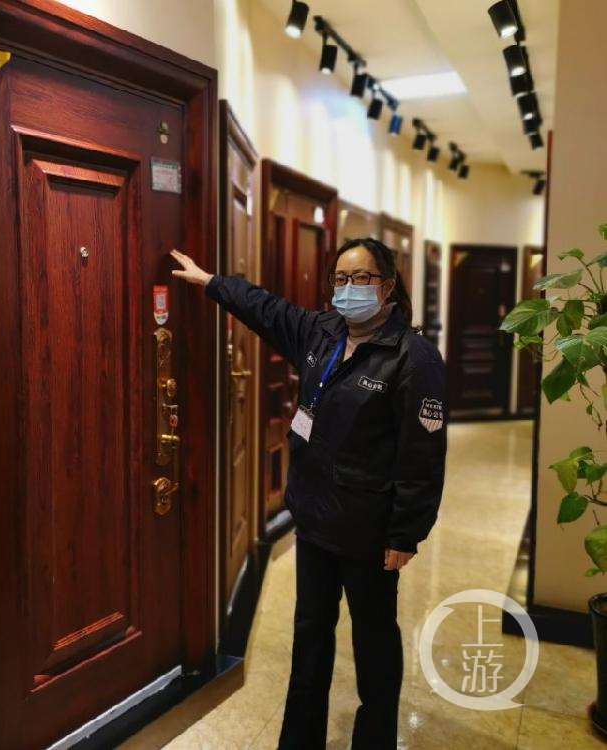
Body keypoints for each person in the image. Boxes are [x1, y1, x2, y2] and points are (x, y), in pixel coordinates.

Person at [169, 237, 447, 750]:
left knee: (374, 643)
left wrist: (405, 532)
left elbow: (423, 455)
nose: (348, 288)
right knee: (310, 635)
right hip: (315, 518)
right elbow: (265, 308)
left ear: (387, 286)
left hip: (368, 531)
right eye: (340, 278)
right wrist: (211, 283)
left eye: (361, 278)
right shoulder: (322, 331)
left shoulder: (414, 358)